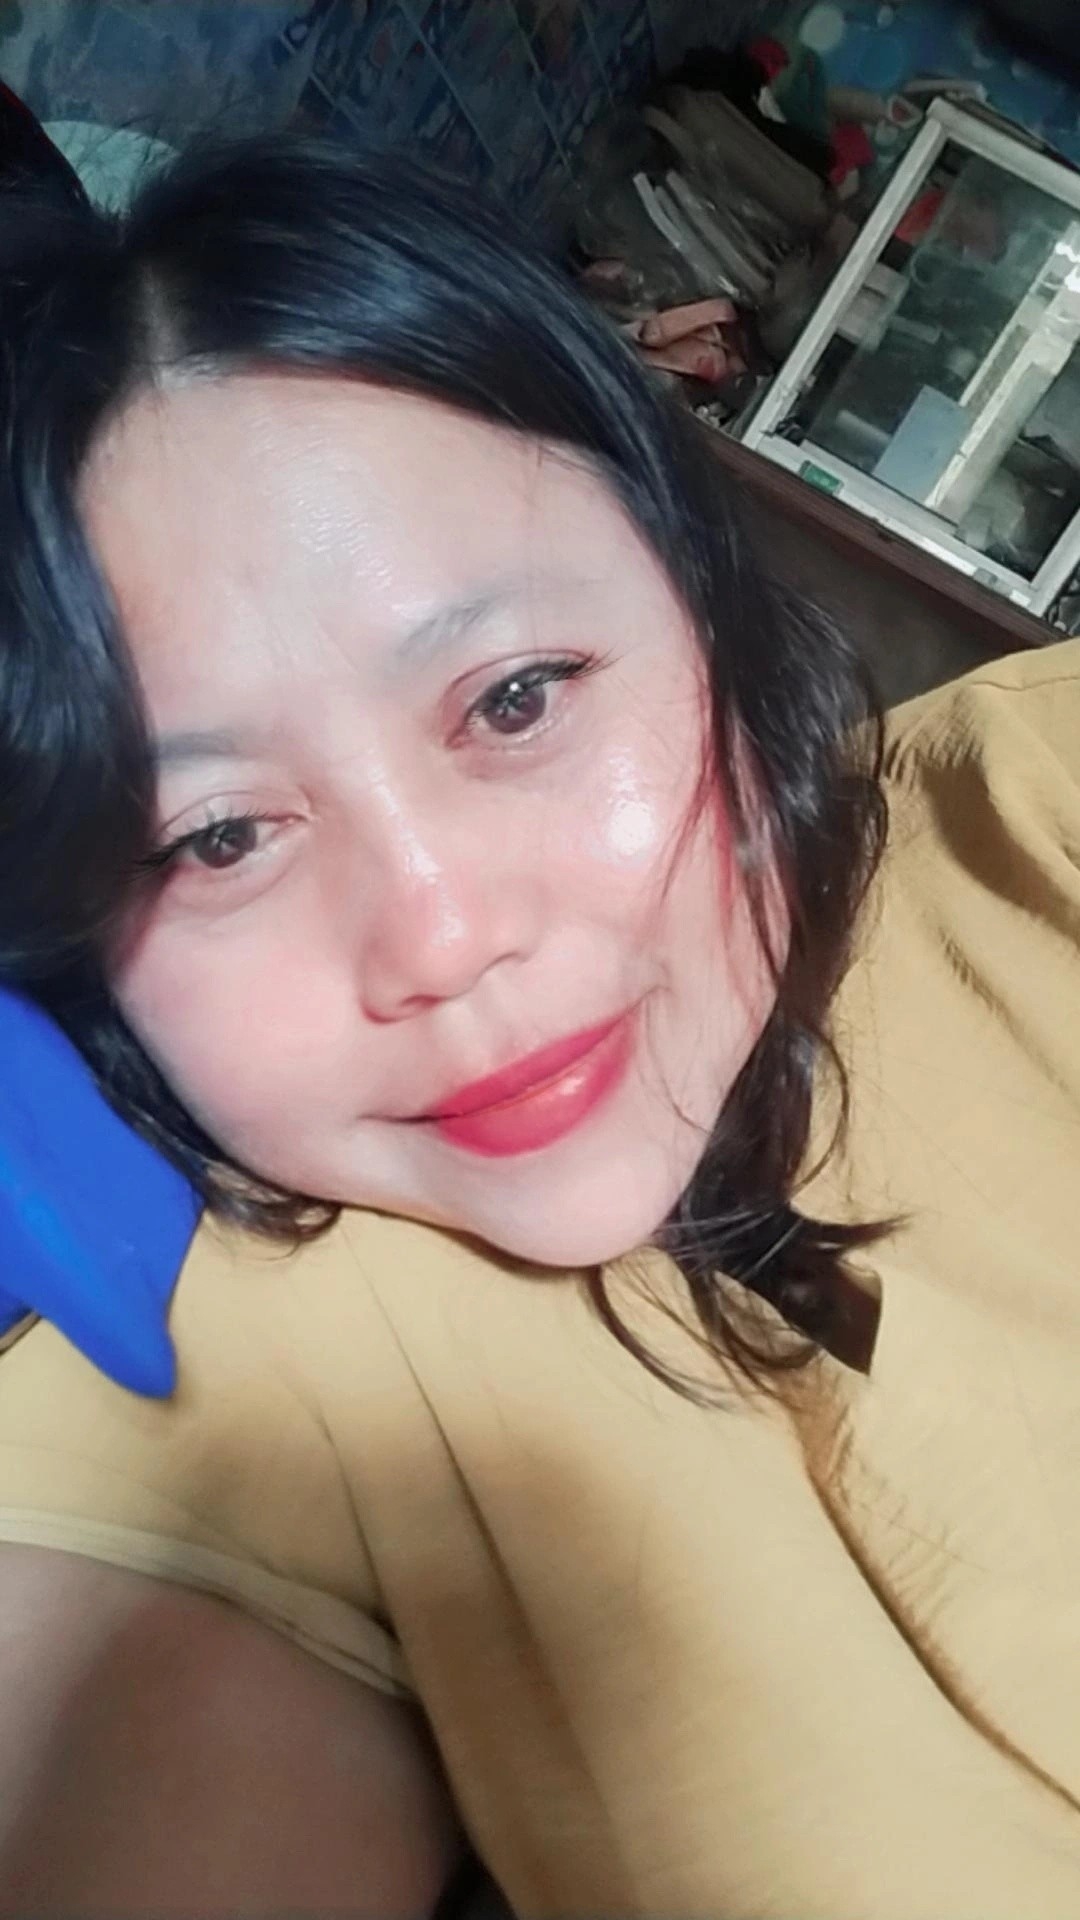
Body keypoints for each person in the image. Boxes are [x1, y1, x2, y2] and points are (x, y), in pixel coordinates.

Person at [0, 135, 1078, 1920]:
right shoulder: (245, 1378)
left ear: (698, 595)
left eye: (515, 699)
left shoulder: (1033, 817)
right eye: (218, 838)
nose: (441, 935)